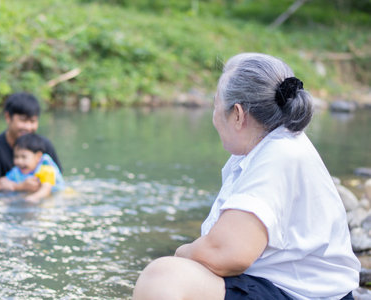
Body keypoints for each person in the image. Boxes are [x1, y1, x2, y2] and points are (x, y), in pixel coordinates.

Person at [132, 53, 360, 300]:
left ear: (238, 114)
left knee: (162, 278)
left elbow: (228, 254)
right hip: (290, 289)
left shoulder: (277, 156)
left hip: (301, 296)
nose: (214, 115)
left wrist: (181, 253)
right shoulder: (275, 146)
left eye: (216, 104)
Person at [0, 92, 62, 192]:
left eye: (32, 121)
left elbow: (56, 178)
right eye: (23, 121)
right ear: (8, 117)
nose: (28, 127)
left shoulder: (44, 145)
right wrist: (19, 187)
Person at [1, 133, 64, 202]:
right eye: (16, 157)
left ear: (38, 156)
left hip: (55, 196)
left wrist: (33, 197)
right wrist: (18, 186)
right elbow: (4, 181)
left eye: (23, 157)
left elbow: (46, 189)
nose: (19, 161)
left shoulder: (46, 169)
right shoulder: (17, 171)